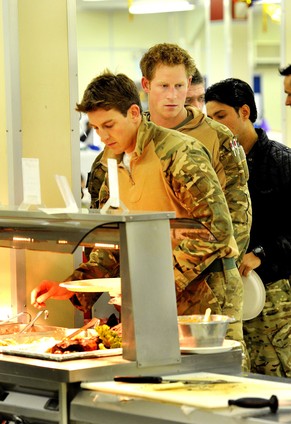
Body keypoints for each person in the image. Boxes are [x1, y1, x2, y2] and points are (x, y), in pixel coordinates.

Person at [31, 70, 248, 370]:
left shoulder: (179, 153)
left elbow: (216, 230)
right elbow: (113, 234)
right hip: (153, 291)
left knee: (214, 378)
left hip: (207, 290)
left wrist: (156, 284)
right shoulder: (111, 161)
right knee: (161, 379)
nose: (103, 136)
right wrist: (75, 285)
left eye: (109, 125)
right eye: (95, 128)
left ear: (134, 113)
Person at [205, 77, 291, 378]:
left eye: (221, 116)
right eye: (210, 118)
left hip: (274, 294)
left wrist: (262, 253)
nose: (215, 125)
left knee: (276, 380)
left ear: (244, 112)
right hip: (231, 291)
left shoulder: (281, 162)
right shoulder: (215, 164)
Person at [139, 43, 252, 266]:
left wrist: (225, 265)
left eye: (179, 85)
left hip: (206, 269)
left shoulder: (217, 136)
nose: (172, 95)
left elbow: (238, 211)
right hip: (146, 260)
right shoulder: (131, 134)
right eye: (163, 86)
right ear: (146, 85)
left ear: (189, 83)